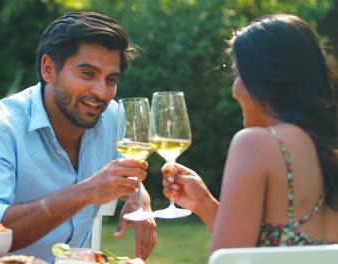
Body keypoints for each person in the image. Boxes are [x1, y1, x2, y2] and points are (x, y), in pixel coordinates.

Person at [124, 13, 337, 264]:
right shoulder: (327, 150)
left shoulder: (257, 144)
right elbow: (270, 251)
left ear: (261, 79)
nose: (234, 88)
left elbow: (227, 261)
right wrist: (204, 204)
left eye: (236, 75)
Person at [0, 11, 157, 263]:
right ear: (49, 69)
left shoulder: (113, 117)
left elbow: (127, 172)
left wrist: (138, 198)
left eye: (110, 79)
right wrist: (86, 191)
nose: (101, 92)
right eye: (87, 74)